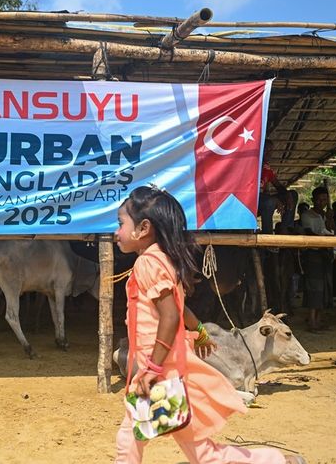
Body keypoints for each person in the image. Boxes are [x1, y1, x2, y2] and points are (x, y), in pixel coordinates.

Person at [114, 186, 304, 464]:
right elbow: (181, 309)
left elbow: (171, 316)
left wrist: (152, 369)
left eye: (121, 224)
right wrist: (201, 332)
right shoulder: (161, 260)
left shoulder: (148, 264)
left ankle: (277, 461)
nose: (116, 231)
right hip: (164, 371)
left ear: (143, 228)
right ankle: (278, 461)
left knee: (135, 440)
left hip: (158, 373)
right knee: (194, 452)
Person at [299, 187, 335, 332]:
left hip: (325, 254)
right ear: (313, 200)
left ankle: (318, 320)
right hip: (313, 254)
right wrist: (323, 239)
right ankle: (312, 321)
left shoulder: (324, 216)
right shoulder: (307, 215)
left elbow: (332, 230)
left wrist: (330, 219)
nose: (322, 202)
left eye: (325, 200)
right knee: (314, 288)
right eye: (319, 200)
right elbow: (309, 233)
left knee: (324, 288)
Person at [258, 162, 290, 234]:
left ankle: (286, 229)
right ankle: (267, 234)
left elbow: (278, 185)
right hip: (250, 202)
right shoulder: (249, 165)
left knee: (293, 195)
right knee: (270, 201)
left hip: (264, 200)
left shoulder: (266, 169)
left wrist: (287, 194)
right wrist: (274, 199)